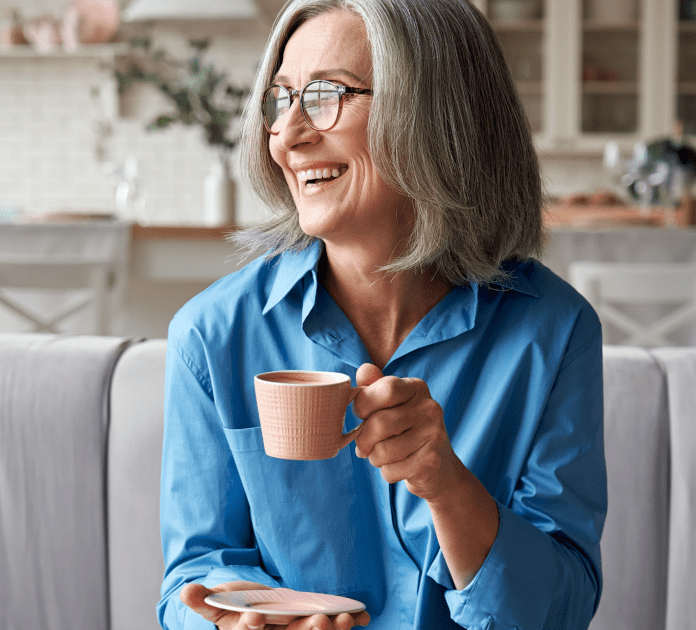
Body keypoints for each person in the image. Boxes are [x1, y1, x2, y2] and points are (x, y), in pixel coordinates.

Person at [158, 0, 606, 628]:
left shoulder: (553, 333)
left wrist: (447, 484)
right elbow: (194, 573)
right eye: (282, 99)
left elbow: (561, 608)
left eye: (325, 96)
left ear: (438, 114)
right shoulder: (212, 336)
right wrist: (238, 615)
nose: (287, 136)